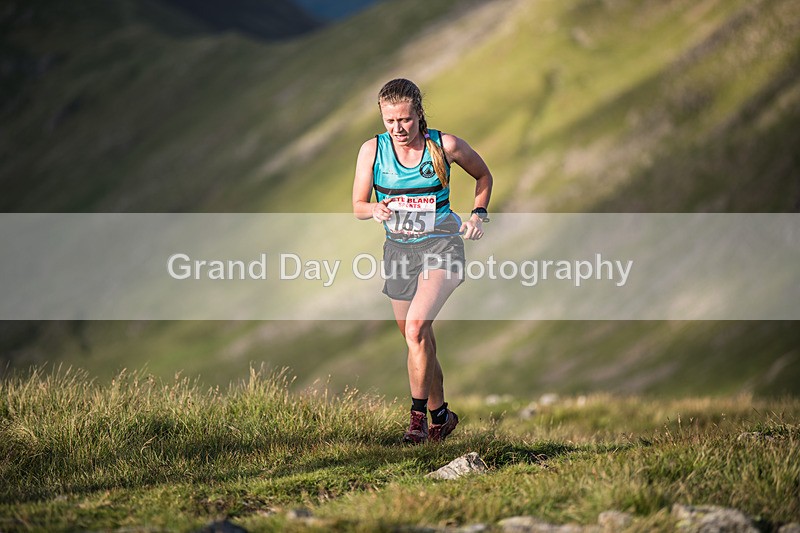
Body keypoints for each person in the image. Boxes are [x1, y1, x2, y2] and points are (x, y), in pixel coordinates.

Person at [352, 78, 493, 444]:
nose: (398, 128)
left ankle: (417, 425)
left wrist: (478, 215)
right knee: (417, 338)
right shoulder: (372, 150)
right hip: (399, 253)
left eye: (405, 120)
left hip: (442, 247)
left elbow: (483, 175)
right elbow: (358, 206)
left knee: (416, 328)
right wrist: (374, 210)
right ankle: (442, 416)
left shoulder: (445, 146)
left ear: (418, 114)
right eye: (390, 121)